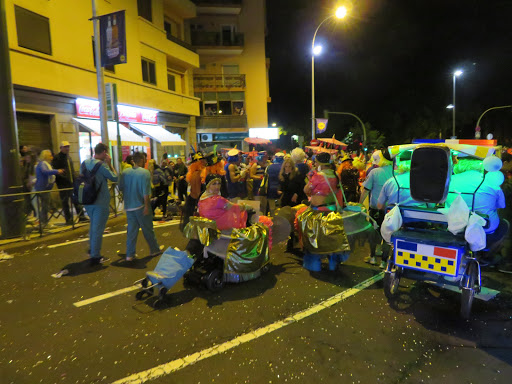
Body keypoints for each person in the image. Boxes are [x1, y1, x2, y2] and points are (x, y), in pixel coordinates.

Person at [297, 152, 349, 271]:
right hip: (332, 211)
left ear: (319, 163)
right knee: (331, 239)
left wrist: (310, 178)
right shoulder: (336, 175)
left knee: (311, 235)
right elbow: (338, 192)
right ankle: (332, 261)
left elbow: (306, 190)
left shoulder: (317, 176)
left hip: (317, 212)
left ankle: (315, 262)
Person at [118, 152, 162, 261]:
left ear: (133, 160)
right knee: (148, 229)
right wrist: (147, 207)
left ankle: (130, 254)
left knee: (132, 231)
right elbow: (146, 192)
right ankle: (154, 249)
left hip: (129, 206)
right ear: (142, 160)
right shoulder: (144, 173)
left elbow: (120, 187)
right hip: (141, 205)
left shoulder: (125, 172)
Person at [82, 143, 118, 265]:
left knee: (93, 227)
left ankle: (92, 249)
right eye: (106, 153)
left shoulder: (85, 163)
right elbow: (115, 178)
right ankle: (95, 257)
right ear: (103, 152)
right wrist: (110, 163)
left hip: (87, 200)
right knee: (98, 229)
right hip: (100, 202)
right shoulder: (102, 166)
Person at [359, 148, 393, 266]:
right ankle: (384, 261)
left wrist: (359, 203)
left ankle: (372, 257)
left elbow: (365, 191)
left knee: (374, 233)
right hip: (391, 210)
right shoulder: (396, 172)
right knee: (388, 235)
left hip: (375, 208)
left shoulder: (374, 172)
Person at [52, 141, 87, 225]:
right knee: (65, 203)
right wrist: (64, 178)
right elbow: (57, 172)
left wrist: (75, 179)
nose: (67, 148)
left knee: (76, 200)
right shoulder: (57, 158)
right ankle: (69, 219)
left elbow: (71, 170)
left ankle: (81, 217)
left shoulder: (68, 157)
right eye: (65, 147)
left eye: (68, 147)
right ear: (61, 148)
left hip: (72, 183)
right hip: (63, 184)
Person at [35, 150, 64, 228]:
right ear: (46, 156)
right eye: (50, 155)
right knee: (45, 206)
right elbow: (45, 172)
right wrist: (57, 171)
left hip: (45, 188)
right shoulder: (43, 164)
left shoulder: (45, 164)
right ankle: (43, 223)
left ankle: (43, 222)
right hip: (43, 188)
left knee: (46, 205)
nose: (52, 157)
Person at [182, 152, 206, 230]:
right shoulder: (199, 174)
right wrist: (200, 205)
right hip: (196, 201)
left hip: (191, 201)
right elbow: (198, 192)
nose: (205, 162)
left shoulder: (193, 174)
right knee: (198, 229)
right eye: (203, 161)